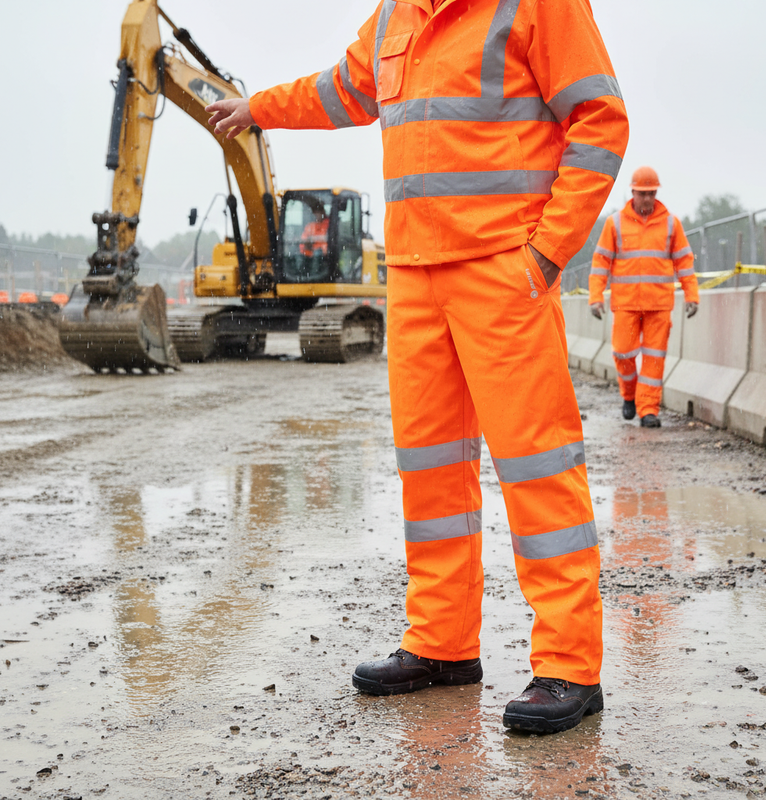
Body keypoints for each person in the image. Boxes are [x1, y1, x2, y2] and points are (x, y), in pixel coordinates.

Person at [206, 0, 629, 735]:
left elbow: (600, 120)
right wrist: (258, 108)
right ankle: (442, 644)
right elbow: (342, 88)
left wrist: (546, 253)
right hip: (412, 275)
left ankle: (570, 665)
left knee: (537, 465)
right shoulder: (398, 12)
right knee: (430, 470)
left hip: (502, 271)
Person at [589, 167, 699, 428]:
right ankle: (629, 395)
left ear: (656, 193)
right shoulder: (614, 223)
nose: (647, 199)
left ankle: (648, 410)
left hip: (659, 305)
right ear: (633, 192)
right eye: (642, 193)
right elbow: (601, 262)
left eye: (651, 193)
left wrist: (692, 294)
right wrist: (595, 296)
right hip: (626, 304)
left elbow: (684, 261)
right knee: (623, 354)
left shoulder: (671, 223)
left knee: (654, 359)